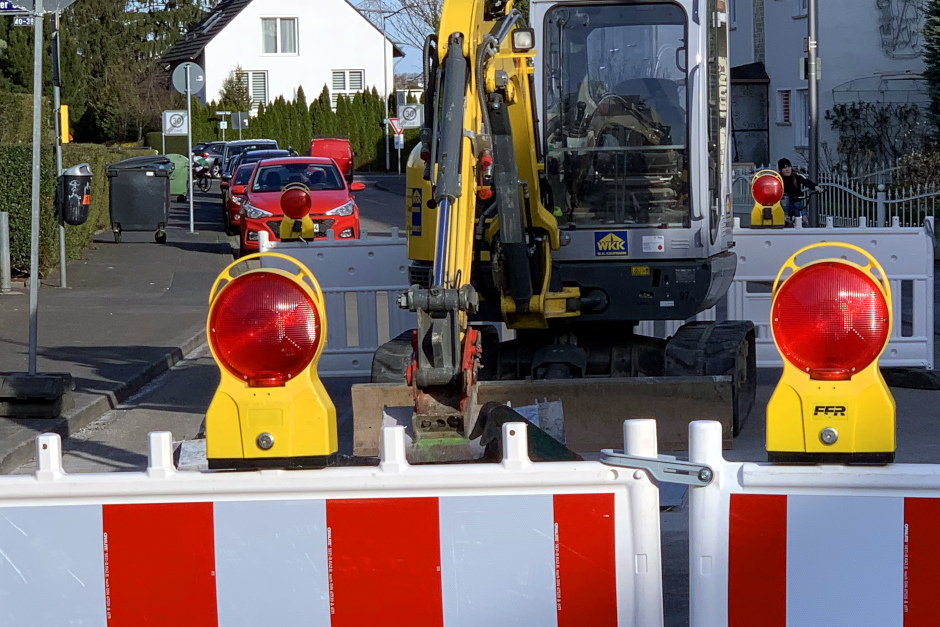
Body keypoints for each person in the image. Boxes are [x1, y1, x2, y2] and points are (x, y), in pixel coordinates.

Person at [778, 158, 822, 226]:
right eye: (784, 168)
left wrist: (816, 187)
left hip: (796, 201)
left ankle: (804, 221)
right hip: (785, 203)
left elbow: (806, 182)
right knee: (785, 197)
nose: (787, 169)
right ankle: (785, 216)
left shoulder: (796, 177)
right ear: (780, 170)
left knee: (803, 215)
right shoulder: (778, 179)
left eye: (789, 167)